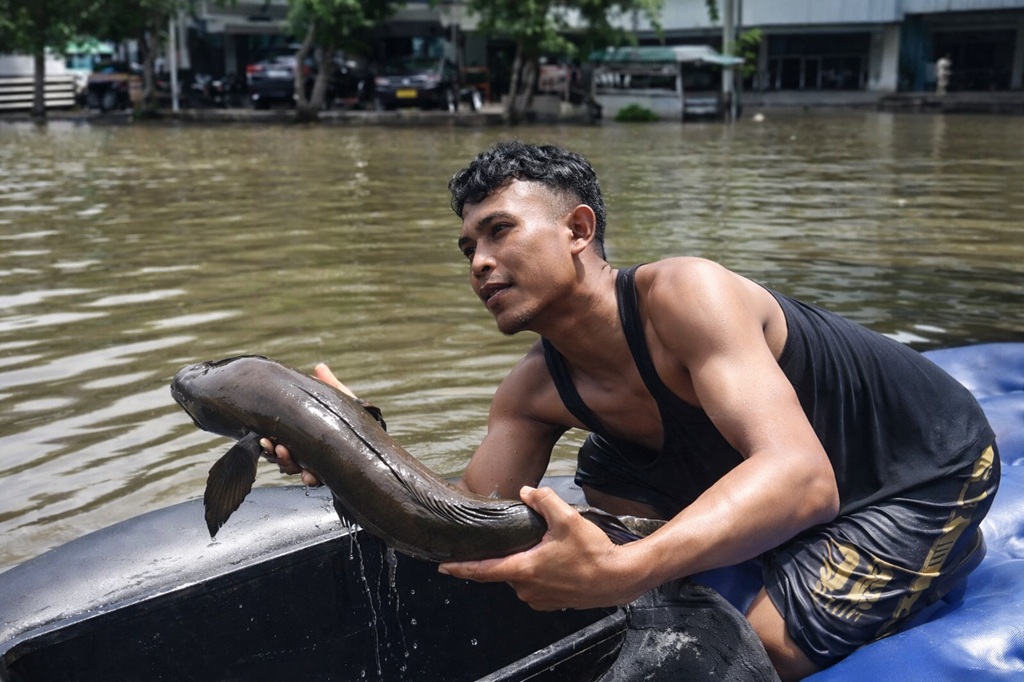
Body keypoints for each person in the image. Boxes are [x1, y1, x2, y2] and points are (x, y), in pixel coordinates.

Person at [263, 141, 999, 681]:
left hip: (919, 469)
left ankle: (941, 552)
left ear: (578, 231)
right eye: (466, 247)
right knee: (598, 489)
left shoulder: (686, 295)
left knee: (765, 648)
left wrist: (628, 568)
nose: (478, 263)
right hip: (746, 457)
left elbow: (803, 477)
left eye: (499, 231)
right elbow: (461, 522)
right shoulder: (532, 390)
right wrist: (345, 444)